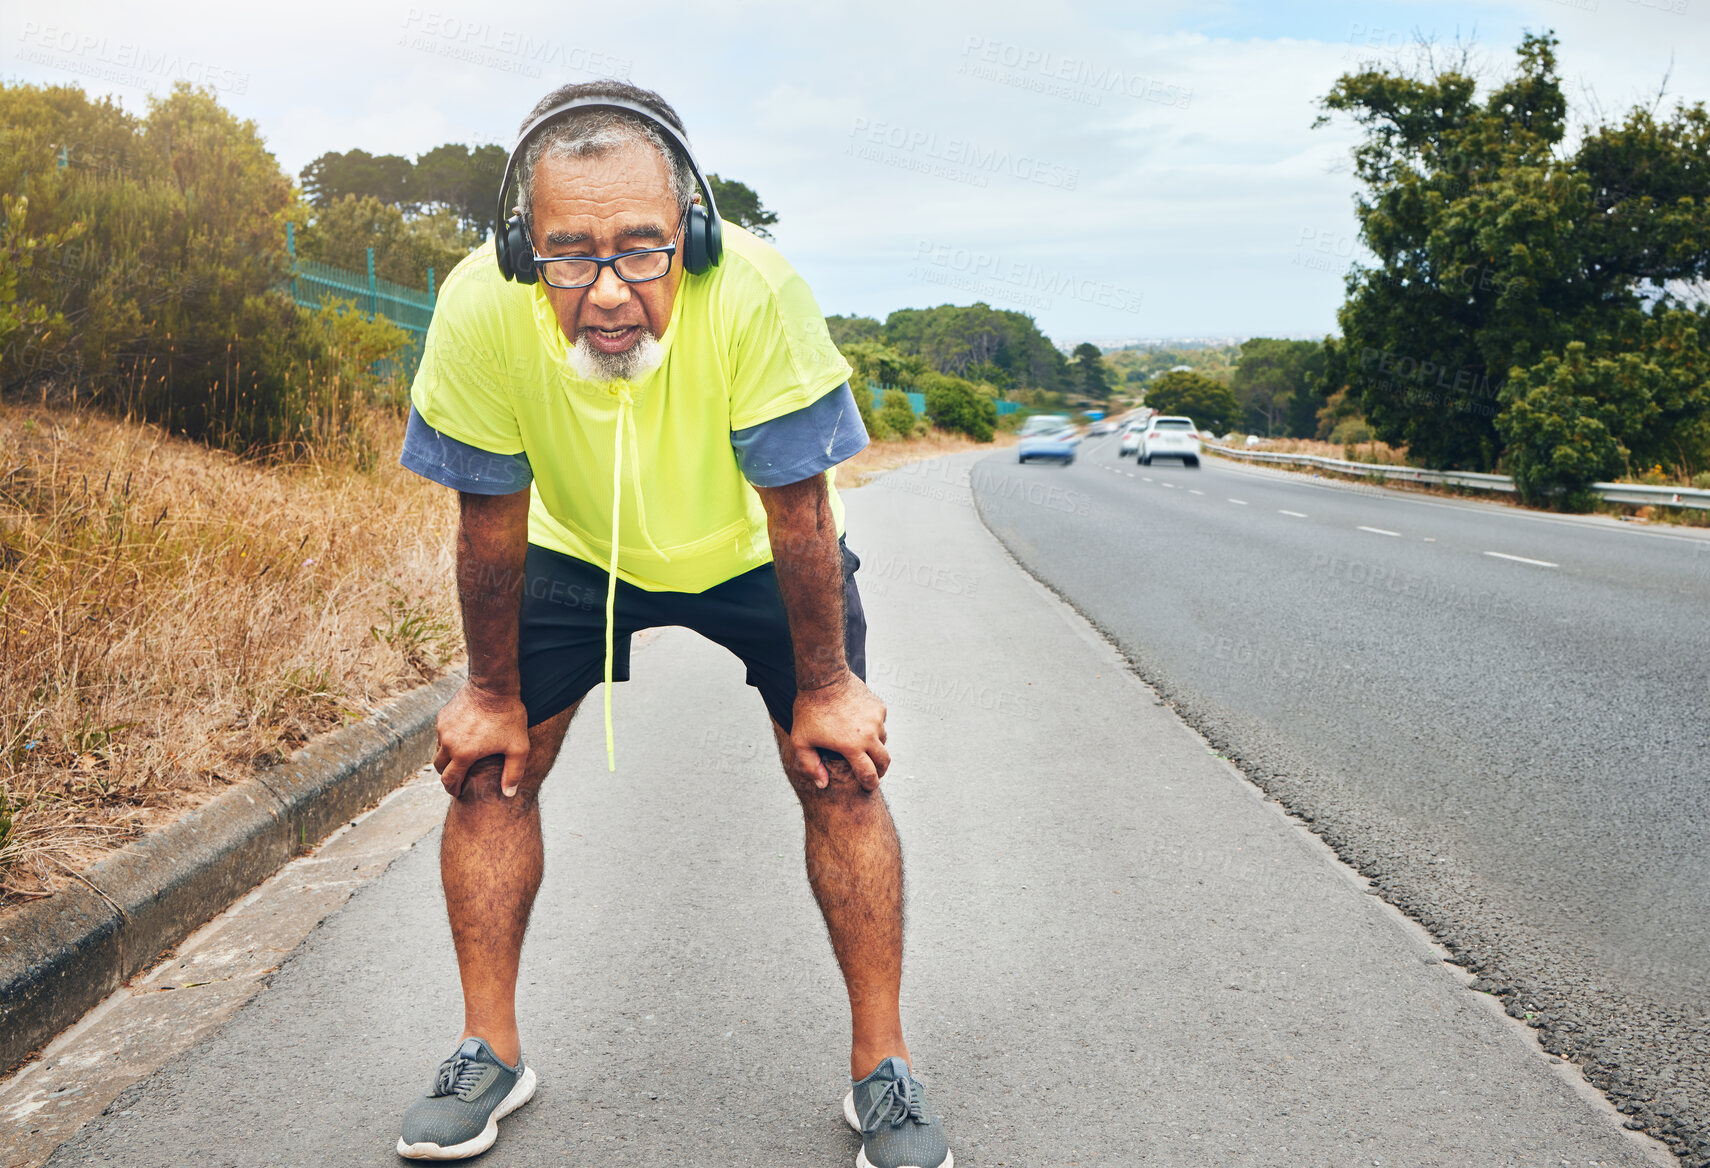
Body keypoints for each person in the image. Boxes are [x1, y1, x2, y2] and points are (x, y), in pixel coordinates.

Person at [392, 79, 953, 1168]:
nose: (607, 291)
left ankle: (882, 1066)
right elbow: (490, 525)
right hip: (568, 543)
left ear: (690, 232)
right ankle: (487, 1048)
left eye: (642, 250)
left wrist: (829, 689)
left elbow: (800, 509)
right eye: (569, 254)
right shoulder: (475, 306)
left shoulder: (758, 291)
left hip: (752, 545)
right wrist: (492, 694)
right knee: (488, 766)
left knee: (842, 770)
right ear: (523, 250)